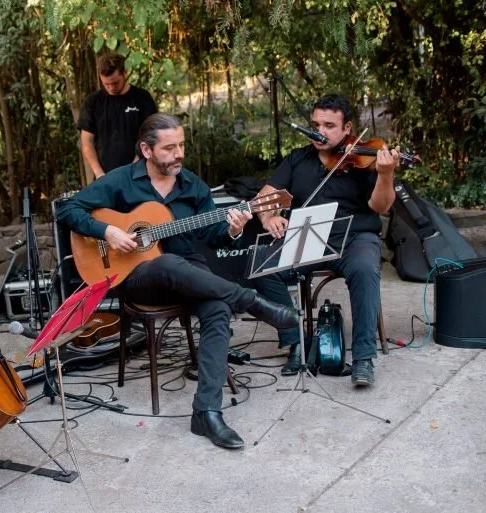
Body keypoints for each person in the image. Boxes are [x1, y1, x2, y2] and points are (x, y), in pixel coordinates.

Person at [56, 113, 299, 450]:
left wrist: (233, 228)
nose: (179, 154)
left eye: (181, 145)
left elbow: (213, 236)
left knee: (217, 309)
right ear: (146, 150)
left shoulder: (193, 186)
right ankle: (250, 300)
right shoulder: (121, 180)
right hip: (139, 277)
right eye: (169, 148)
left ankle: (207, 413)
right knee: (166, 262)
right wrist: (108, 231)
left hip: (191, 272)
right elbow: (67, 210)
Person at [253, 94, 400, 386]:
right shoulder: (298, 158)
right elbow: (263, 199)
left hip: (354, 237)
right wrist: (269, 218)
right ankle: (297, 341)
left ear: (347, 128)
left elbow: (381, 205)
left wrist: (386, 175)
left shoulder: (364, 159)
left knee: (364, 269)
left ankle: (363, 358)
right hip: (308, 237)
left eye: (329, 126)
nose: (319, 132)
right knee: (261, 264)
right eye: (316, 125)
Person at [77, 52, 157, 180]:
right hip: (105, 177)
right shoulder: (93, 102)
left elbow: (151, 136)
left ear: (125, 73)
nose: (111, 88)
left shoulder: (143, 98)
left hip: (140, 174)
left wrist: (135, 166)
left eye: (115, 83)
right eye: (106, 84)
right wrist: (99, 174)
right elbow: (87, 142)